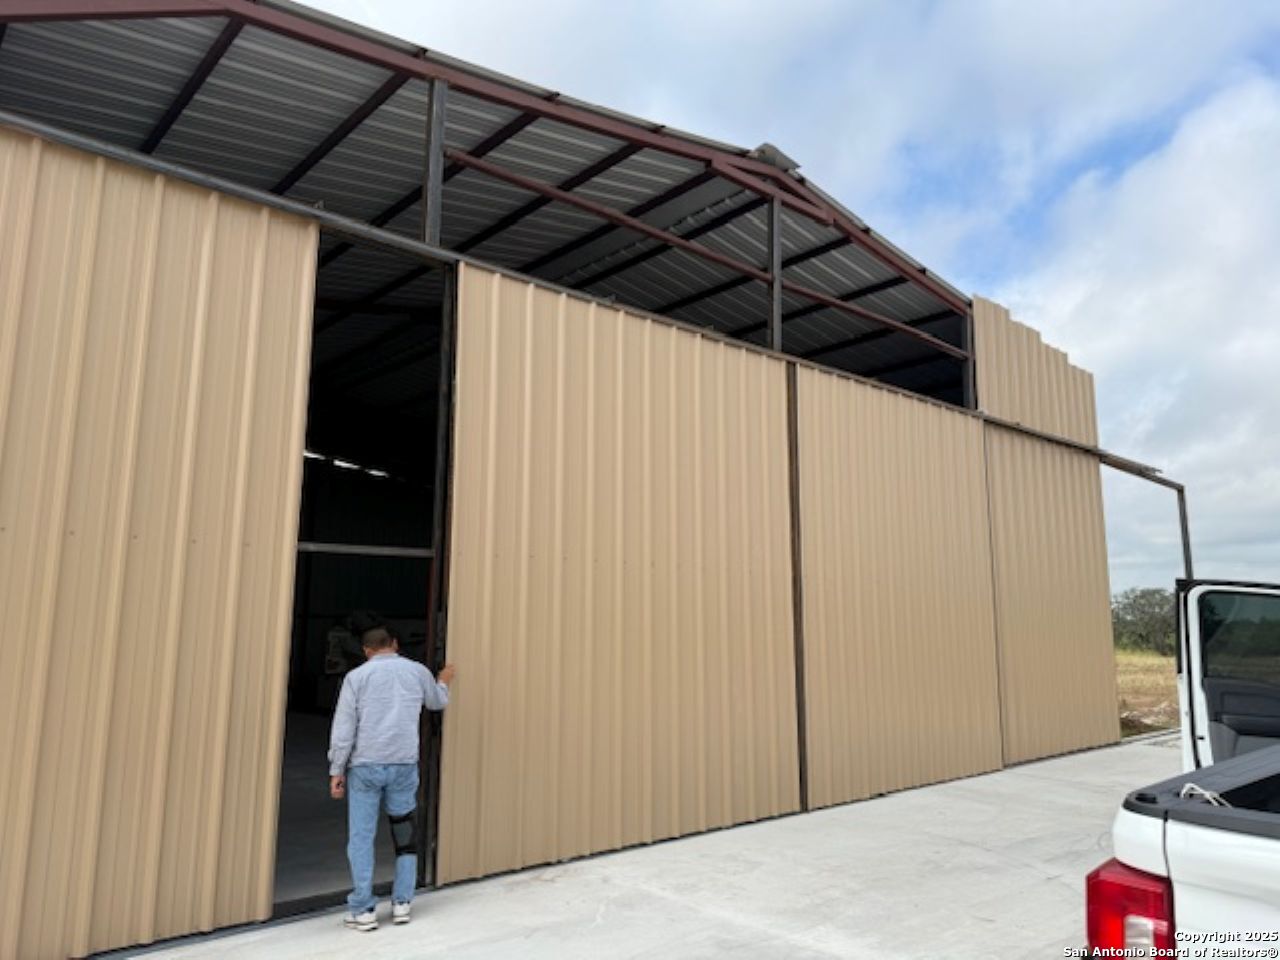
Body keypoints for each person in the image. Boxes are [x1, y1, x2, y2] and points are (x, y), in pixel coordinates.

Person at [328, 624, 455, 932]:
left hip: (365, 766)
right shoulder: (417, 671)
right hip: (403, 765)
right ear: (395, 644)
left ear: (366, 651)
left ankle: (363, 909)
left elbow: (344, 728)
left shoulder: (356, 677)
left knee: (361, 836)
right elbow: (437, 702)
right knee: (404, 836)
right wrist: (443, 681)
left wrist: (337, 769)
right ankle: (402, 903)